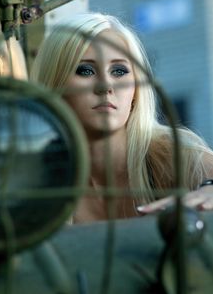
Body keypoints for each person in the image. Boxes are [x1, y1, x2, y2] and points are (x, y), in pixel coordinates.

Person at [30, 12, 213, 223]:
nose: (106, 86)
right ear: (55, 86)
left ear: (136, 89)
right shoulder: (34, 179)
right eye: (85, 71)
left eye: (119, 71)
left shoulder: (172, 155)